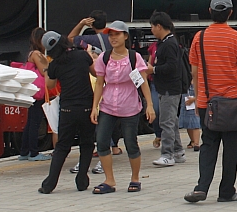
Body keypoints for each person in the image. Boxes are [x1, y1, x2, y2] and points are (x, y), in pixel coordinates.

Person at [185, 0, 237, 203]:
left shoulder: (200, 37)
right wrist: (233, 67)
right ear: (230, 13)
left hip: (207, 103)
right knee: (232, 149)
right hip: (232, 103)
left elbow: (195, 72)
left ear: (210, 11)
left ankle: (201, 188)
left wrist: (199, 99)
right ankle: (226, 191)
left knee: (208, 145)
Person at [89, 22, 155, 194]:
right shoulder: (104, 57)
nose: (113, 38)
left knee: (131, 143)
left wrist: (150, 105)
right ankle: (109, 180)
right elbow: (99, 84)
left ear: (125, 36)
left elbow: (143, 83)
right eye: (110, 35)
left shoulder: (134, 58)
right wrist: (94, 107)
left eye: (117, 35)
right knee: (102, 141)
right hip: (108, 105)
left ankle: (135, 178)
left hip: (129, 106)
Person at [39, 32, 96, 194]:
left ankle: (49, 184)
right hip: (87, 106)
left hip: (67, 109)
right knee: (86, 143)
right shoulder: (82, 55)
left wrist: (46, 69)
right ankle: (82, 179)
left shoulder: (55, 64)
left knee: (62, 146)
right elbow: (95, 73)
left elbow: (50, 85)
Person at [146, 11, 191, 167]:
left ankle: (167, 154)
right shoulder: (166, 42)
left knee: (166, 122)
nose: (151, 30)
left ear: (159, 26)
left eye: (152, 26)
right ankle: (178, 152)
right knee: (172, 120)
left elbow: (172, 67)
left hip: (169, 89)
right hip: (167, 87)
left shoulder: (169, 44)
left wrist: (154, 70)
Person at [19, 28, 51, 161]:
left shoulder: (31, 53)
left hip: (32, 91)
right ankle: (33, 152)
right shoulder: (37, 54)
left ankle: (24, 151)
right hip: (37, 92)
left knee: (30, 121)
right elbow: (45, 71)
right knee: (35, 122)